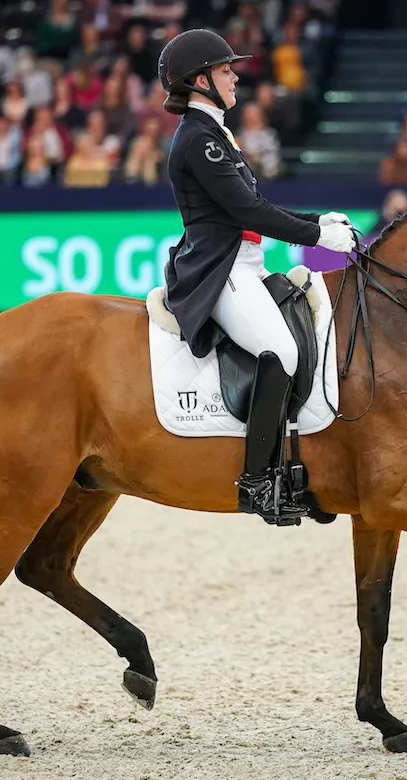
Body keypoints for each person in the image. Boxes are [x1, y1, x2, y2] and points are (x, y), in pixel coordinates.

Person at [158, 28, 356, 523]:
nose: (234, 75)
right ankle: (257, 482)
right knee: (281, 351)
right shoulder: (200, 140)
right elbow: (247, 209)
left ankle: (288, 468)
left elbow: (256, 208)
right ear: (199, 80)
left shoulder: (216, 133)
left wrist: (315, 222)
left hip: (245, 263)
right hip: (219, 270)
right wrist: (316, 239)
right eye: (225, 70)